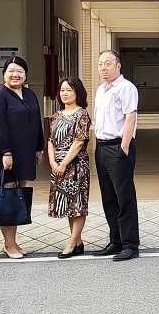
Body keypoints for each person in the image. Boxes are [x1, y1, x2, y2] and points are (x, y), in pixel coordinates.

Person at [0, 56, 44, 259]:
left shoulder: (30, 94)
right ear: (4, 74)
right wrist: (6, 152)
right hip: (6, 156)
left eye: (19, 71)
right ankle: (9, 244)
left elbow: (36, 122)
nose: (15, 75)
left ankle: (12, 241)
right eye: (11, 71)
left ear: (26, 74)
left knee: (18, 197)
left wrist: (38, 148)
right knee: (8, 198)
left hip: (25, 154)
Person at [92, 49, 140, 261]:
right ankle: (116, 240)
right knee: (109, 197)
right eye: (100, 64)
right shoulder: (100, 90)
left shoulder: (126, 87)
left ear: (118, 65)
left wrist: (124, 147)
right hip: (102, 148)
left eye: (108, 63)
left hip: (119, 147)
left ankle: (130, 244)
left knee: (124, 197)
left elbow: (130, 117)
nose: (103, 68)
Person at [47, 77, 92, 259]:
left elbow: (79, 141)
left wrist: (64, 163)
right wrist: (52, 162)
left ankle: (72, 243)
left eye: (69, 90)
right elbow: (50, 140)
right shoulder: (57, 115)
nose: (65, 94)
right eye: (62, 90)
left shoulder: (82, 114)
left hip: (76, 165)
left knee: (78, 204)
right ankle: (78, 242)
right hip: (57, 166)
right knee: (68, 205)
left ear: (77, 92)